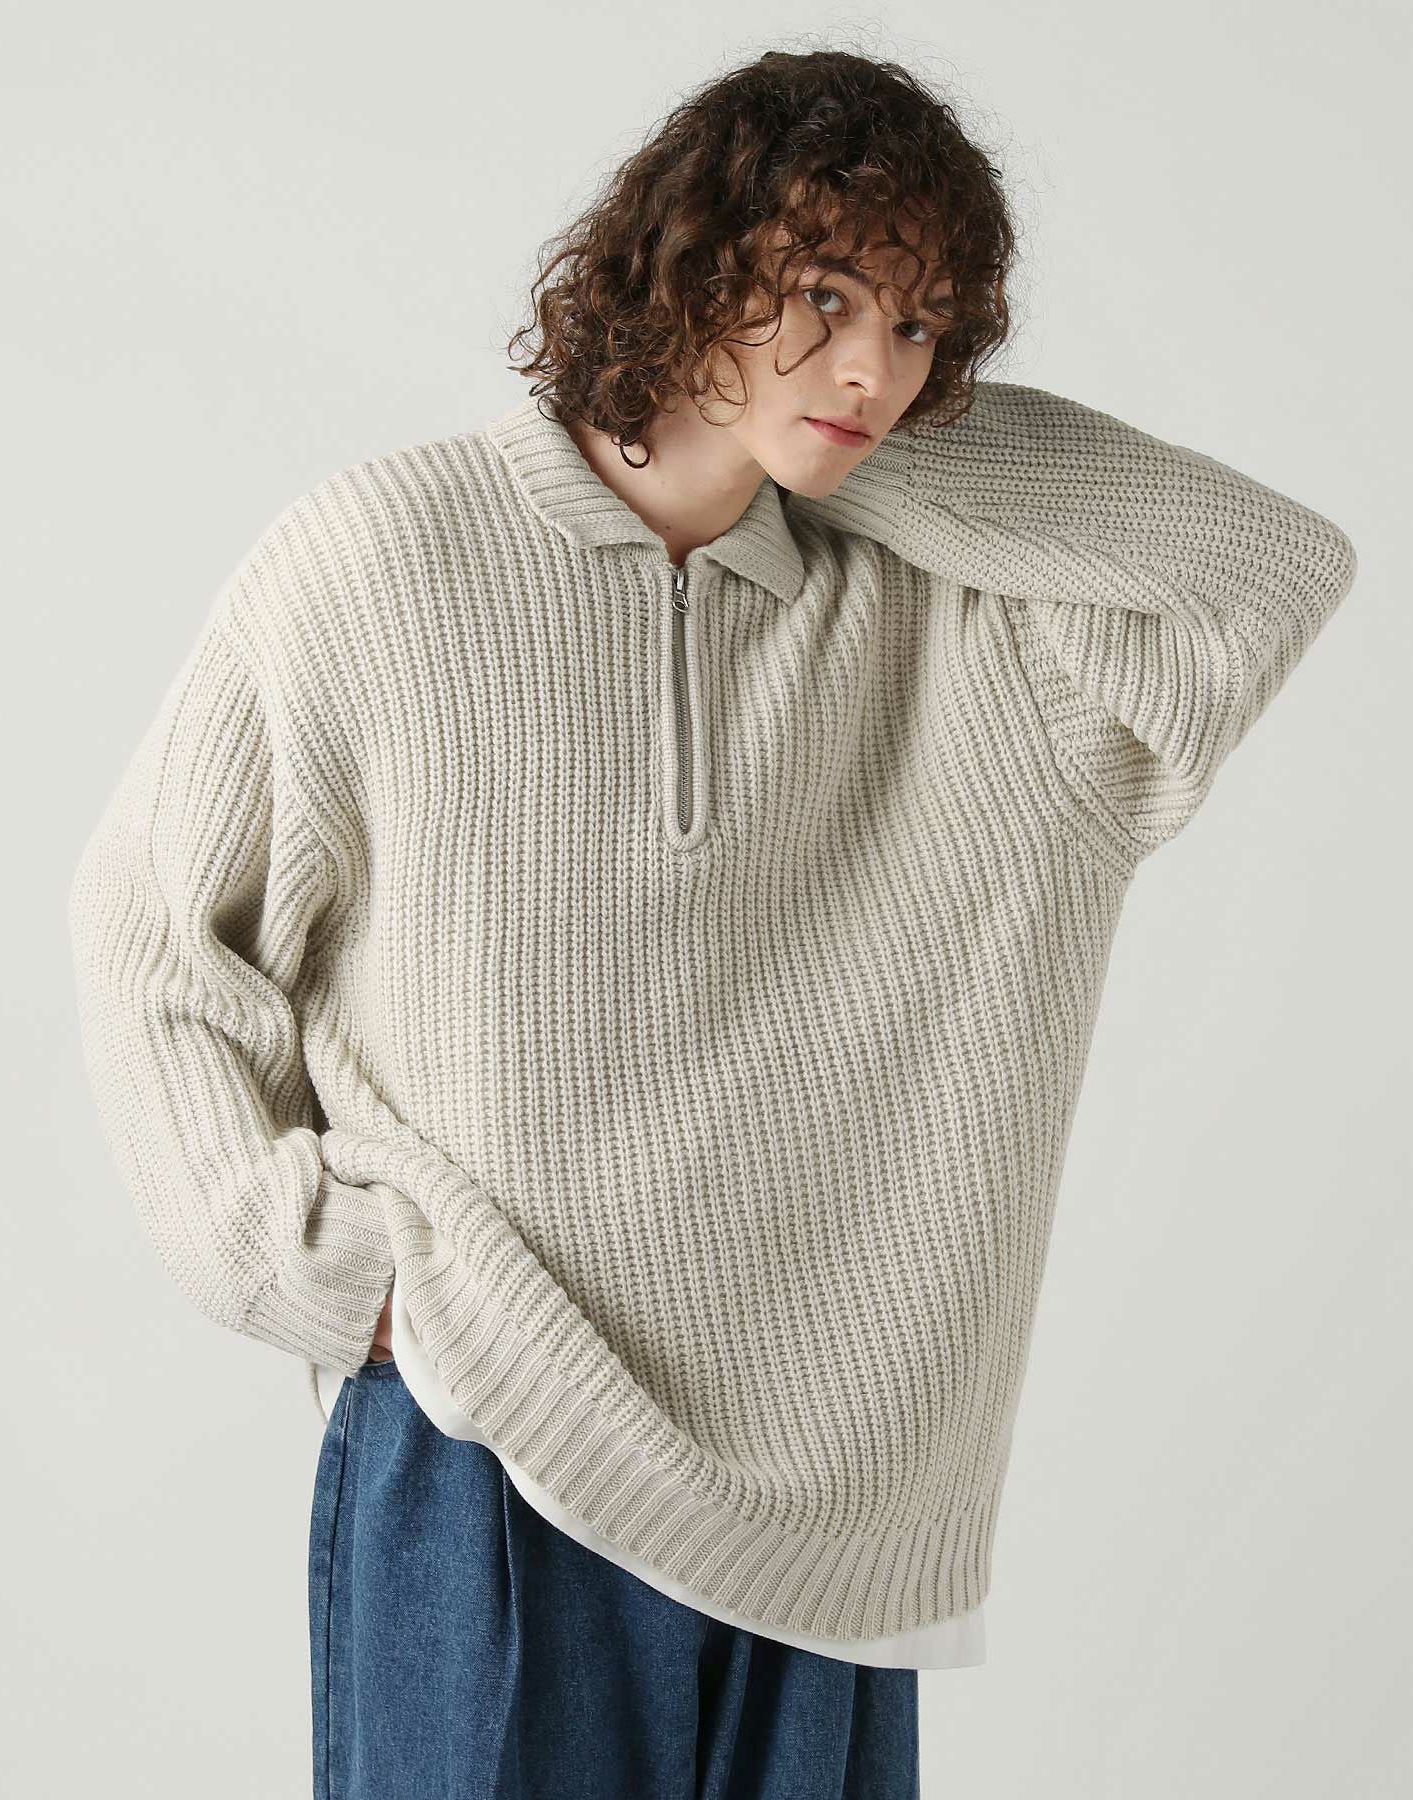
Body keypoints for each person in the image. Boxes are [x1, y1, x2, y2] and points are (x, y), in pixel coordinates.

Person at [67, 45, 1358, 1800]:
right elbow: (153, 934)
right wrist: (297, 1260)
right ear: (687, 263)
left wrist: (832, 447)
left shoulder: (961, 639)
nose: (873, 366)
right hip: (490, 1431)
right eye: (824, 294)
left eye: (919, 326)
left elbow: (1261, 569)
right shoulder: (382, 563)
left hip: (832, 1533)